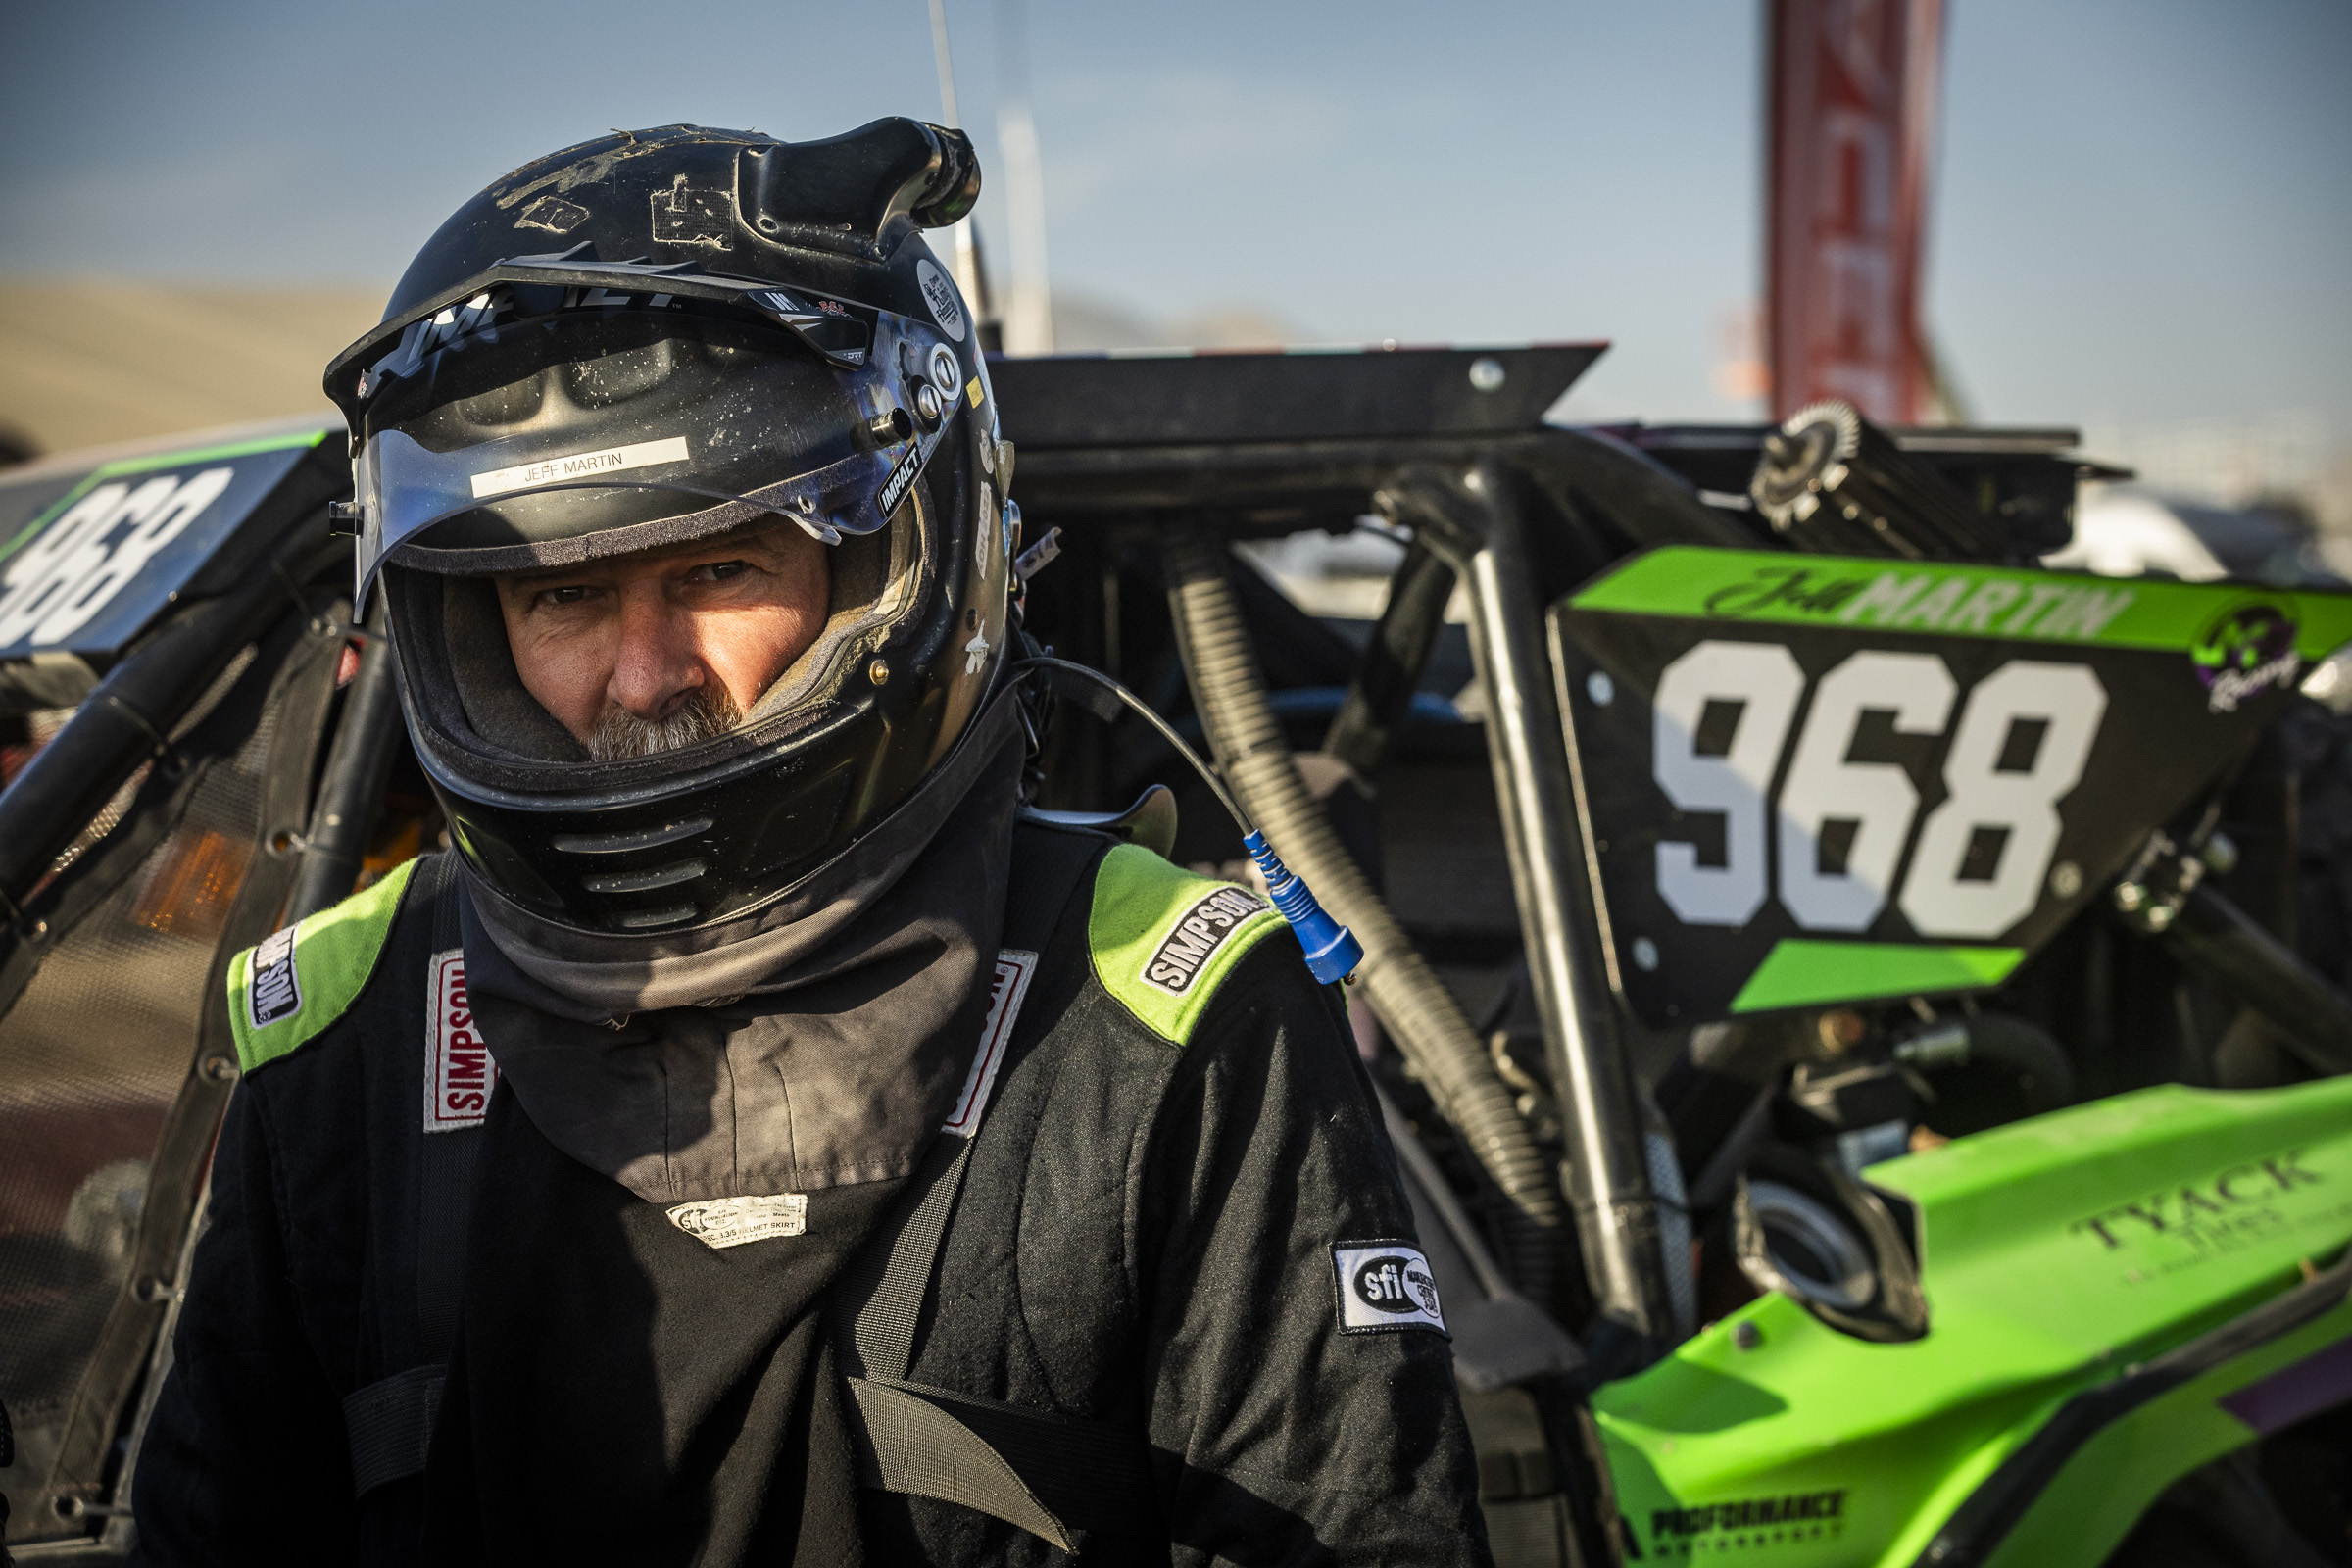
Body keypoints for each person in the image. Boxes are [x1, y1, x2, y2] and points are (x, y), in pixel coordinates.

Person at [129, 120, 1490, 1567]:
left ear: (891, 569)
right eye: (562, 600)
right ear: (468, 628)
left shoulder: (1162, 1006)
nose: (643, 676)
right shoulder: (347, 1021)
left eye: (718, 568)